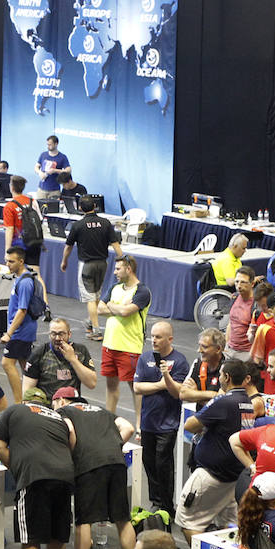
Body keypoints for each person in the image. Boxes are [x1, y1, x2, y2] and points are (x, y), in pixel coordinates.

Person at [53, 388, 138, 549]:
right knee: (122, 518)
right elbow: (129, 428)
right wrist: (113, 447)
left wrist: (75, 454)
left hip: (88, 465)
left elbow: (70, 431)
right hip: (116, 462)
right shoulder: (100, 410)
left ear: (61, 401)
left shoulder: (64, 412)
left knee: (84, 520)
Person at [0, 390, 77, 549]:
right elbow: (71, 444)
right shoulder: (58, 417)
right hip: (64, 477)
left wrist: (17, 469)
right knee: (57, 536)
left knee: (31, 538)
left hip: (34, 477)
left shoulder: (14, 410)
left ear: (24, 401)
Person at [177, 360, 254, 542]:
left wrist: (211, 405)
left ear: (226, 377)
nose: (218, 378)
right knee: (229, 528)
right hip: (234, 476)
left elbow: (190, 425)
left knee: (188, 521)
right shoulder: (248, 403)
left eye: (220, 374)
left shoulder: (223, 401)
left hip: (212, 476)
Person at [135, 321, 189, 518]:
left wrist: (166, 376)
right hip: (148, 421)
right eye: (152, 336)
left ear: (170, 339)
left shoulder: (180, 361)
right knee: (149, 464)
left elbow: (177, 393)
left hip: (167, 423)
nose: (153, 340)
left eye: (158, 337)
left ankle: (166, 505)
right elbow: (137, 388)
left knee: (163, 465)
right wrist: (161, 385)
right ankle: (155, 502)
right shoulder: (145, 358)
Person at [61, 195, 122, 340]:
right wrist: (123, 260)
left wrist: (64, 261)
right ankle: (90, 321)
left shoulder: (78, 225)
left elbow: (68, 247)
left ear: (80, 208)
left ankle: (96, 330)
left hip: (86, 265)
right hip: (102, 264)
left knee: (90, 298)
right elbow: (115, 244)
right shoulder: (105, 223)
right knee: (96, 295)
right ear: (95, 206)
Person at [99, 255, 152, 418]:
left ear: (128, 269)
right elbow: (100, 309)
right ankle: (109, 420)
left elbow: (126, 312)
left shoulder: (142, 291)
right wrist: (119, 307)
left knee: (135, 388)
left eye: (118, 268)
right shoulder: (114, 288)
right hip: (109, 345)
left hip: (129, 347)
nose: (114, 272)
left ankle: (139, 424)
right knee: (111, 386)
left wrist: (113, 306)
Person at [0, 246, 42, 398]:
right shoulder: (22, 277)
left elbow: (22, 310)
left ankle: (20, 401)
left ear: (21, 261)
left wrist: (9, 333)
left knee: (7, 363)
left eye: (11, 261)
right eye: (6, 261)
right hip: (24, 331)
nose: (7, 265)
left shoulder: (24, 283)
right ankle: (35, 397)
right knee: (27, 369)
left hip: (20, 332)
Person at [2, 176, 42, 272]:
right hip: (34, 241)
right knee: (36, 274)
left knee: (17, 273)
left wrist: (7, 251)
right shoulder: (32, 201)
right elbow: (40, 220)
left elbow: (9, 229)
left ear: (11, 187)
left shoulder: (9, 206)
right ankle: (40, 288)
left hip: (18, 244)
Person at [180, 328, 226, 404]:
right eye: (199, 346)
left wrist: (195, 394)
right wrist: (212, 394)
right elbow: (183, 394)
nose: (199, 350)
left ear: (218, 349)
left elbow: (221, 402)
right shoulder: (197, 363)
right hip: (200, 415)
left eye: (204, 347)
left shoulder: (228, 368)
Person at [225, 267, 256, 361]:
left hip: (247, 354)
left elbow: (257, 333)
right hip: (230, 350)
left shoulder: (256, 305)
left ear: (252, 283)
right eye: (236, 282)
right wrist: (227, 345)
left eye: (243, 282)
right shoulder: (234, 297)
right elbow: (230, 323)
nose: (238, 285)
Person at [34, 134, 70, 200]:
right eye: (47, 144)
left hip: (54, 190)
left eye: (50, 144)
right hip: (42, 189)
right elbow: (36, 167)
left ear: (56, 144)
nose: (48, 146)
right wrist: (40, 173)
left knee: (53, 208)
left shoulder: (62, 157)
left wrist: (55, 170)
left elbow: (68, 170)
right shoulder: (43, 155)